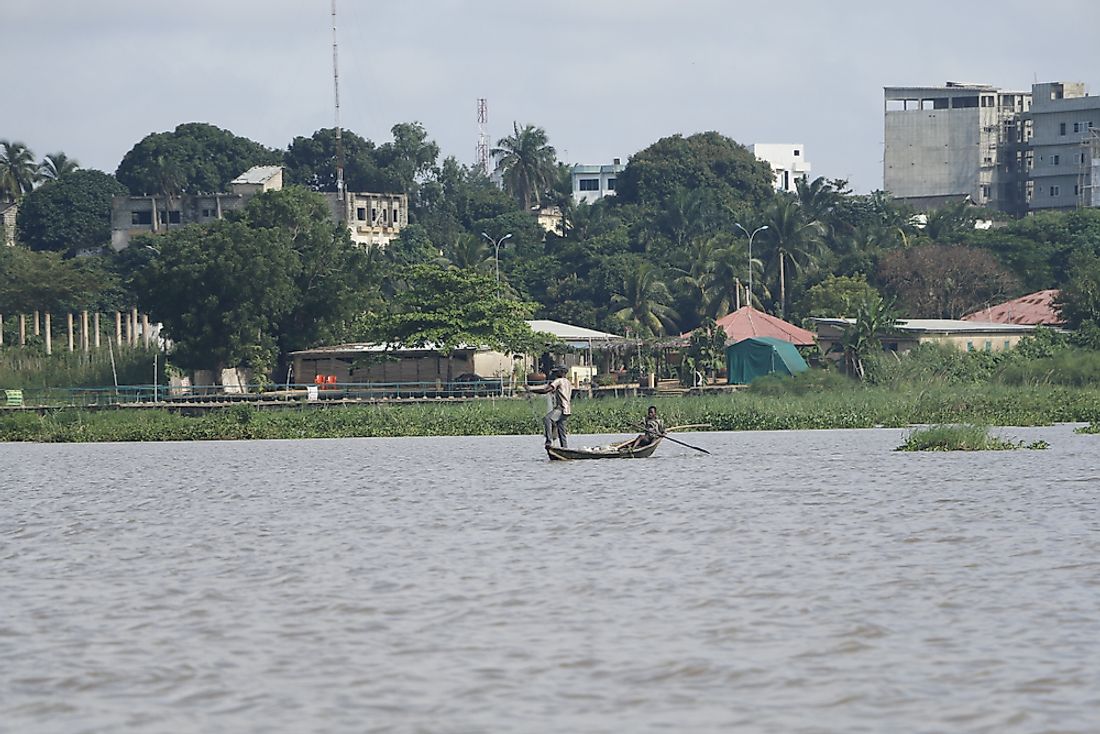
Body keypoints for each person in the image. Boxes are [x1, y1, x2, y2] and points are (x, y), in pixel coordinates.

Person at [528, 366, 573, 448]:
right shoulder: (568, 382)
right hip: (567, 410)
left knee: (547, 418)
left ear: (562, 372)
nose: (555, 374)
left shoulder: (558, 381)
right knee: (561, 431)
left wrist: (531, 390)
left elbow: (546, 390)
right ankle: (565, 448)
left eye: (557, 372)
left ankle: (548, 441)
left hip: (561, 408)